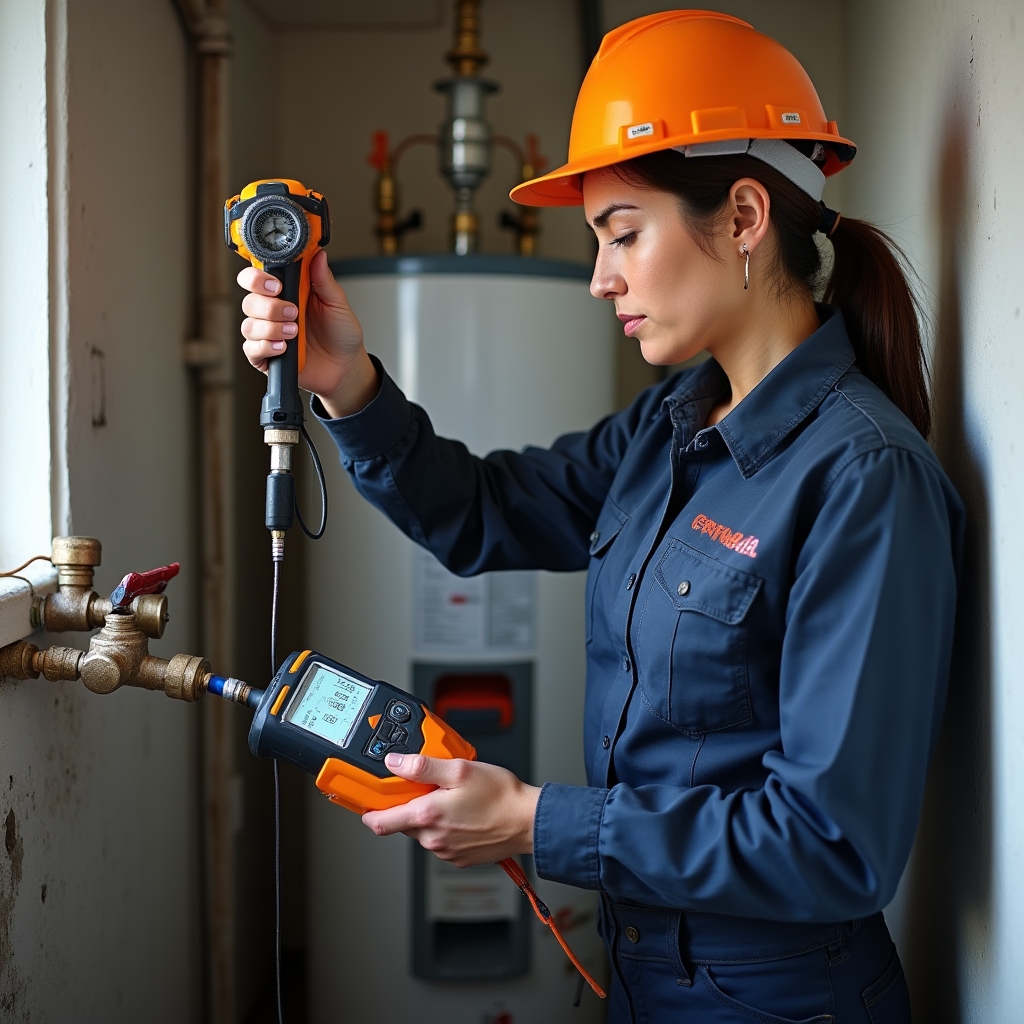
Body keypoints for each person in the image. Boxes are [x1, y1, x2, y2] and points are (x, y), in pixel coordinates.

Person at [237, 11, 962, 1023]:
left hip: (778, 1000)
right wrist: (347, 382)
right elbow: (483, 513)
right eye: (594, 242)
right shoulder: (666, 427)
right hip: (642, 975)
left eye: (623, 232)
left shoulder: (863, 478)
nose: (599, 277)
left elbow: (833, 845)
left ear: (745, 215)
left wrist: (539, 823)